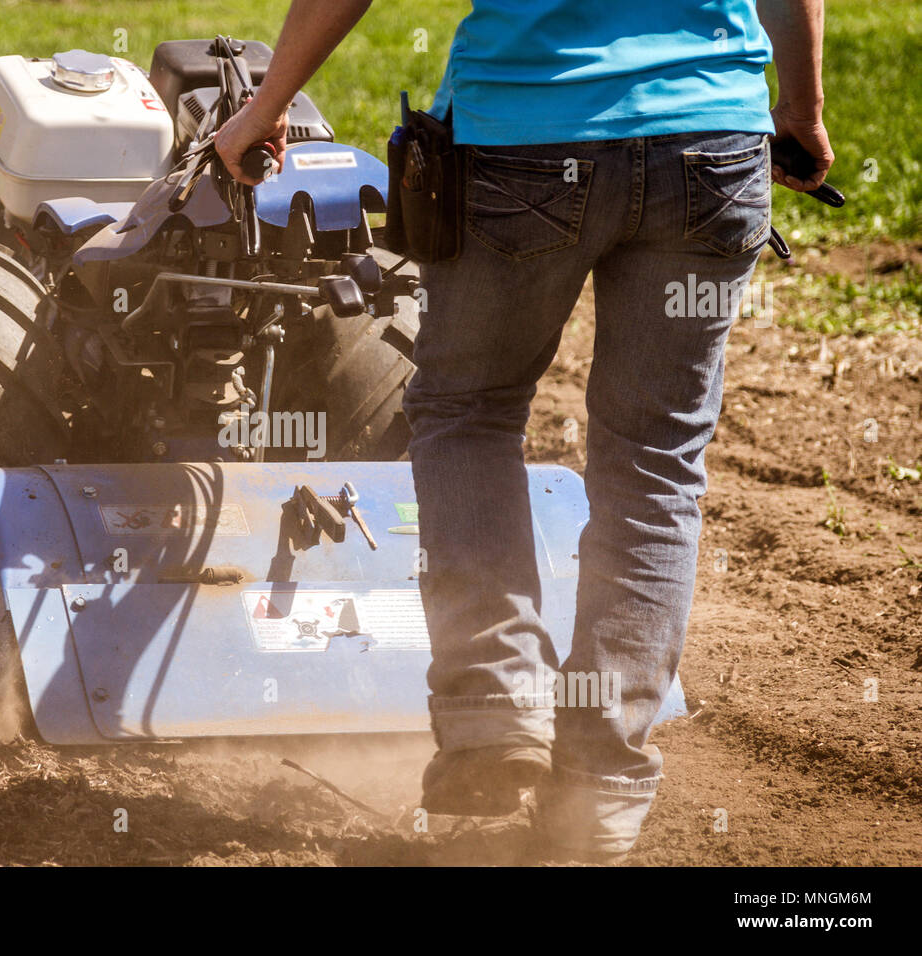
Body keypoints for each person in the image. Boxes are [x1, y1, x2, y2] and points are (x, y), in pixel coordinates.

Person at [216, 0, 833, 861]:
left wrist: (267, 102)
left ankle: (492, 710)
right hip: (712, 141)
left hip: (523, 137)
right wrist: (798, 112)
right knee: (654, 463)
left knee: (469, 415)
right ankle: (601, 791)